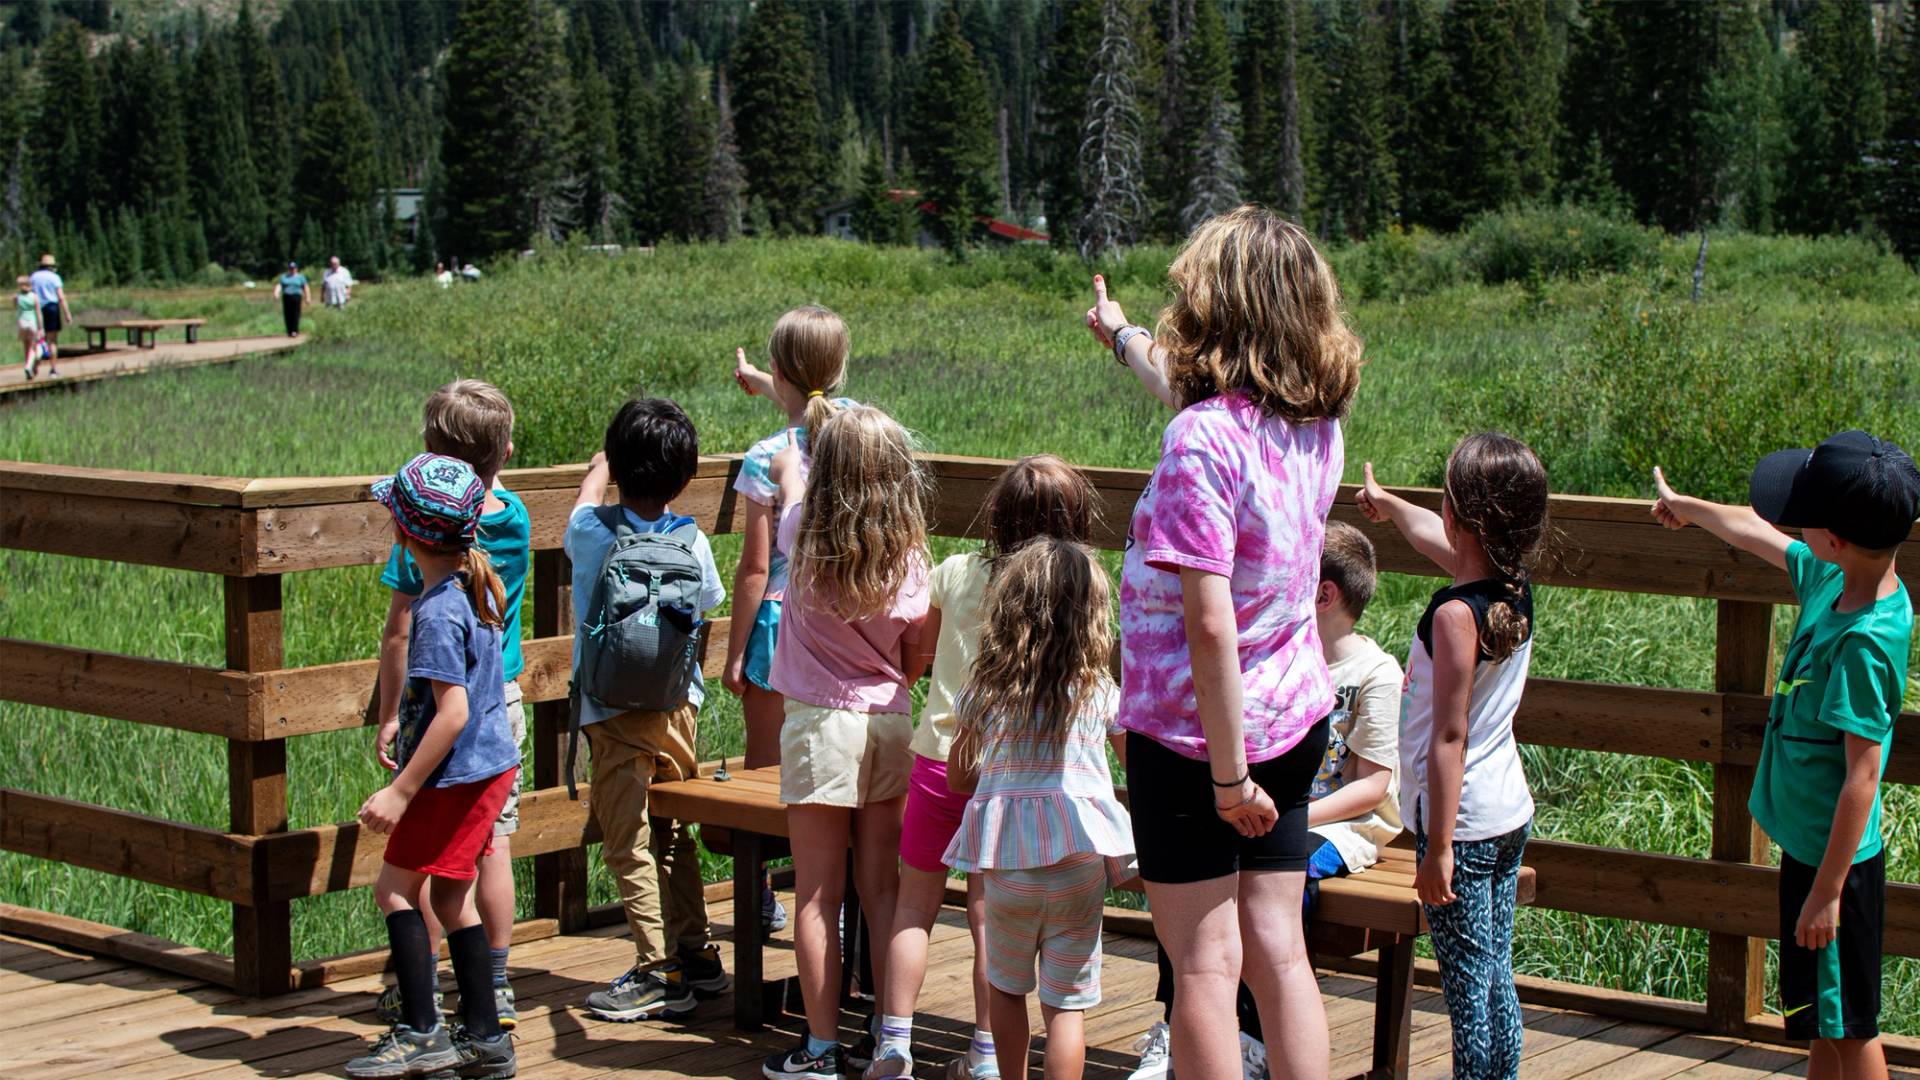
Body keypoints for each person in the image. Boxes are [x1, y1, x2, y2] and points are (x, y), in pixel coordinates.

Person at [1086, 205, 1359, 1080]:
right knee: (1278, 950)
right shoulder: (1315, 428)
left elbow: (1207, 621)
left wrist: (1227, 775)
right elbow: (1199, 396)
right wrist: (1121, 335)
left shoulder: (1200, 440)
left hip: (1197, 736)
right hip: (1293, 713)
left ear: (1220, 307)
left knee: (1203, 963)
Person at [1653, 432, 1916, 1080]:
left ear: (1833, 538)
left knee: (1852, 1030)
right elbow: (1752, 530)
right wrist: (1689, 506)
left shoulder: (1864, 639)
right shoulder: (1837, 579)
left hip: (1837, 871)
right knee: (1820, 1025)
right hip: (1811, 853)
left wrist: (1827, 892)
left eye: (1801, 513)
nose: (1787, 522)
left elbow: (1863, 773)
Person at [1131, 521, 1405, 1080]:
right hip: (1264, 800)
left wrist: (1294, 810)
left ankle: (1252, 1035)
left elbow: (1374, 785)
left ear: (1322, 592)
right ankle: (1185, 1024)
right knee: (1205, 918)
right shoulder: (1295, 663)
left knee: (1241, 933)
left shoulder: (1373, 672)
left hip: (1335, 822)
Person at [866, 455, 1102, 1080]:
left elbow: (918, 653)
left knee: (914, 905)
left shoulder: (953, 573)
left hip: (945, 762)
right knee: (986, 921)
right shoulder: (1074, 596)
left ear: (997, 516)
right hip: (1030, 793)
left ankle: (894, 1041)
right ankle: (986, 1052)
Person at [1356, 434, 1550, 1080]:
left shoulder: (1453, 616)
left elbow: (1448, 737)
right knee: (1495, 974)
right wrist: (1389, 505)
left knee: (1467, 992)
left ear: (1460, 515)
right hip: (1506, 812)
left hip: (1460, 827)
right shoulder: (1509, 590)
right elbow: (1432, 539)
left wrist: (1436, 847)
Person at [760, 405, 930, 1080]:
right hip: (889, 722)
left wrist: (788, 465)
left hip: (819, 727)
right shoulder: (913, 556)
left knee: (816, 897)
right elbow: (916, 656)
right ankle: (888, 1038)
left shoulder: (803, 530)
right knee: (882, 890)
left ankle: (822, 1047)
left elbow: (794, 492)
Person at [347, 452, 519, 1080]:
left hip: (455, 775)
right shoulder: (472, 586)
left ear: (403, 532)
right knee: (451, 895)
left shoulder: (436, 611)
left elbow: (452, 714)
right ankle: (485, 1038)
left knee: (394, 889)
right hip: (487, 768)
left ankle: (421, 1032)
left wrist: (400, 790)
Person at [943, 538, 1135, 1080]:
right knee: (1066, 1004)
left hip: (1010, 866)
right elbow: (1135, 773)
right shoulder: (1099, 690)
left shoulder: (987, 689)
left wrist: (1005, 780)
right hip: (1079, 862)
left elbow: (959, 776)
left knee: (1006, 989)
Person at [370, 381, 530, 1030]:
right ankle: (493, 985)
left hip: (447, 719)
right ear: (504, 452)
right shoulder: (509, 518)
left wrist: (388, 713)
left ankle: (422, 1006)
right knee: (486, 851)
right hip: (504, 706)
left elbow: (398, 633)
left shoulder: (434, 575)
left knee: (422, 871)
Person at [569, 398, 730, 1022]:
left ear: (617, 463)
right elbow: (707, 604)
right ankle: (699, 954)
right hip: (676, 707)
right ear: (685, 479)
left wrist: (598, 468)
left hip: (611, 711)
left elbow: (583, 505)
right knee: (670, 831)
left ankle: (657, 971)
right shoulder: (692, 540)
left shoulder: (590, 534)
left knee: (625, 839)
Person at [725, 305, 858, 935]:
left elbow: (755, 569)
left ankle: (761, 901)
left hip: (781, 629)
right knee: (841, 779)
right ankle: (839, 899)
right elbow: (813, 407)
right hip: (853, 623)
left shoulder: (764, 458)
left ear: (780, 372)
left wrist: (732, 652)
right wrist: (766, 381)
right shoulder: (862, 431)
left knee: (765, 775)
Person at [29, 254, 70, 364]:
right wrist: (67, 313)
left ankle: (35, 366)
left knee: (39, 340)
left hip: (37, 308)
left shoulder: (33, 277)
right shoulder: (55, 277)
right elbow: (61, 297)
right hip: (52, 308)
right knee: (52, 341)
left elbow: (30, 295)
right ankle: (53, 369)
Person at [16, 275, 45, 379]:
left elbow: (15, 306)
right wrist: (41, 327)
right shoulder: (34, 296)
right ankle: (29, 366)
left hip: (22, 323)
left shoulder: (17, 297)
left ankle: (27, 367)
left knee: (26, 347)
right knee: (34, 346)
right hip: (32, 323)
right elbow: (38, 313)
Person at [274, 262, 307, 337]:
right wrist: (276, 292)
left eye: (293, 268)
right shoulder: (284, 277)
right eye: (291, 268)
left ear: (296, 269)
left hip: (296, 296)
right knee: (287, 314)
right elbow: (279, 285)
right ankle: (289, 331)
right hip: (287, 296)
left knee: (295, 313)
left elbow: (305, 287)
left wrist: (307, 297)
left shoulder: (300, 277)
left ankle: (295, 330)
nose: (292, 270)